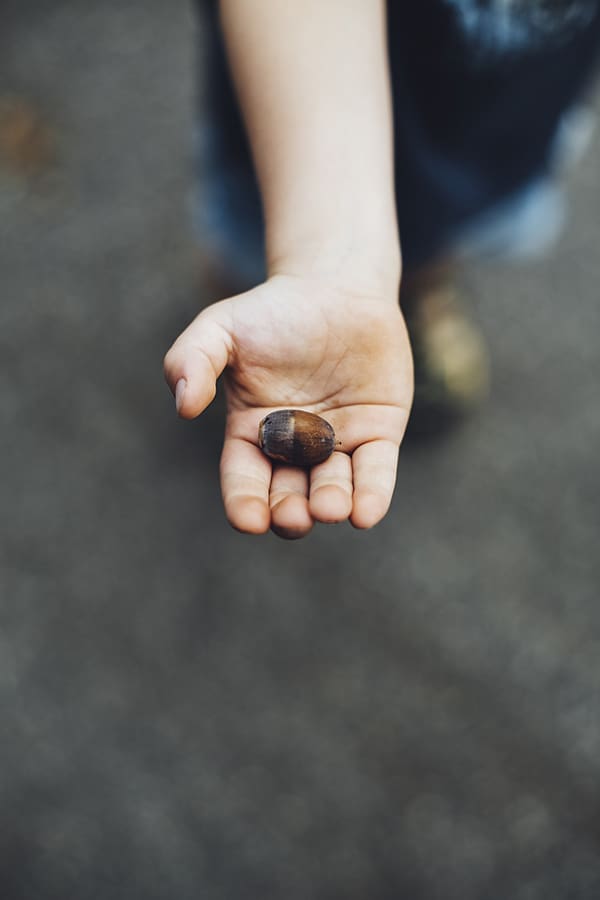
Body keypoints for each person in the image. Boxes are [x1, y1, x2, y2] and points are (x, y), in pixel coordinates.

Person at [164, 0, 600, 540]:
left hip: (513, 119)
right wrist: (328, 262)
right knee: (252, 255)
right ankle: (260, 305)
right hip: (300, 142)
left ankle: (415, 292)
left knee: (449, 232)